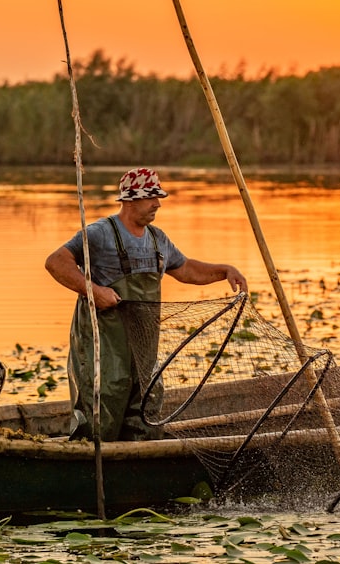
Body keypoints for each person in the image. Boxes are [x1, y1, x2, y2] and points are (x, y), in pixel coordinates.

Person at [45, 167, 248, 441]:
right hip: (104, 347)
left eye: (158, 197)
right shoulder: (100, 233)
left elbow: (186, 268)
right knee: (103, 403)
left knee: (147, 403)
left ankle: (138, 460)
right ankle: (95, 465)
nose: (158, 203)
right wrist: (93, 291)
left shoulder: (157, 239)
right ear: (130, 200)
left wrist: (224, 270)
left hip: (143, 347)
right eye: (151, 197)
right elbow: (56, 262)